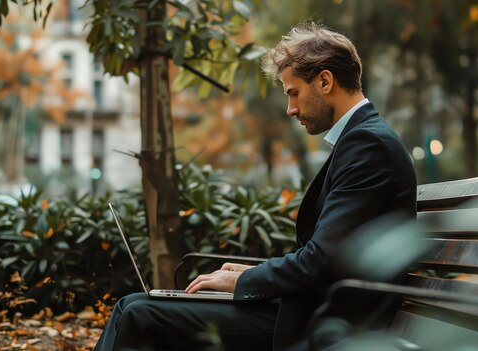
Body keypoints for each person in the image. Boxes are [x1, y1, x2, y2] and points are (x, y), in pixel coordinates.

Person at [93, 22, 417, 351]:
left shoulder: (368, 144)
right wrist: (256, 273)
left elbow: (322, 261)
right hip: (311, 309)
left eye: (293, 93)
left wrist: (244, 281)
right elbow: (328, 255)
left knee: (139, 314)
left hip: (328, 326)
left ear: (324, 81)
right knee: (132, 306)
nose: (291, 109)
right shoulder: (363, 139)